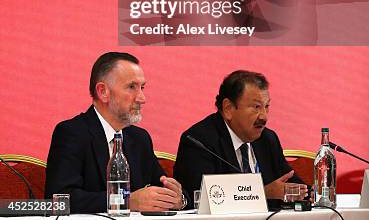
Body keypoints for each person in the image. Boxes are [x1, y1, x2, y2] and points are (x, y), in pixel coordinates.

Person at [45, 52, 185, 213]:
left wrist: (174, 198)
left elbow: (159, 186)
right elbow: (59, 200)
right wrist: (125, 201)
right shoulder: (72, 133)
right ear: (103, 91)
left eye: (142, 87)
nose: (142, 98)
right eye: (132, 87)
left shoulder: (140, 138)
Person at [174, 70, 308, 209]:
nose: (264, 117)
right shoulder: (199, 141)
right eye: (256, 107)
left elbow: (292, 184)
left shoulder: (267, 139)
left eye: (266, 106)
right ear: (228, 109)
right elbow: (201, 198)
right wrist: (263, 193)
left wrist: (308, 193)